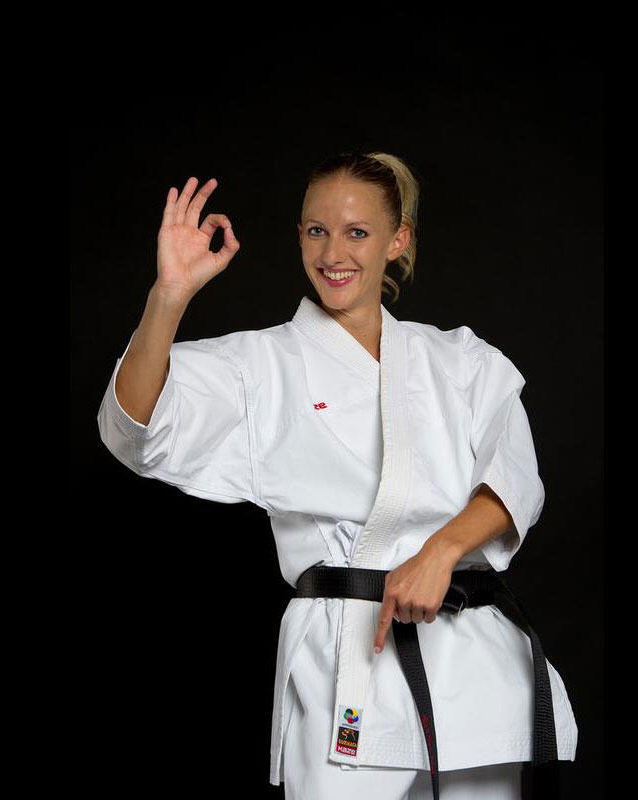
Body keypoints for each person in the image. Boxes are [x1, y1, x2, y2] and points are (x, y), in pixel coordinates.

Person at [97, 151, 578, 799]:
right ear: (299, 235)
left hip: (468, 655)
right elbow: (136, 427)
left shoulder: (460, 359)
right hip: (346, 651)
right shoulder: (262, 362)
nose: (333, 253)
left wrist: (440, 551)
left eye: (357, 232)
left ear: (396, 240)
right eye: (317, 231)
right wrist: (170, 294)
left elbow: (514, 482)